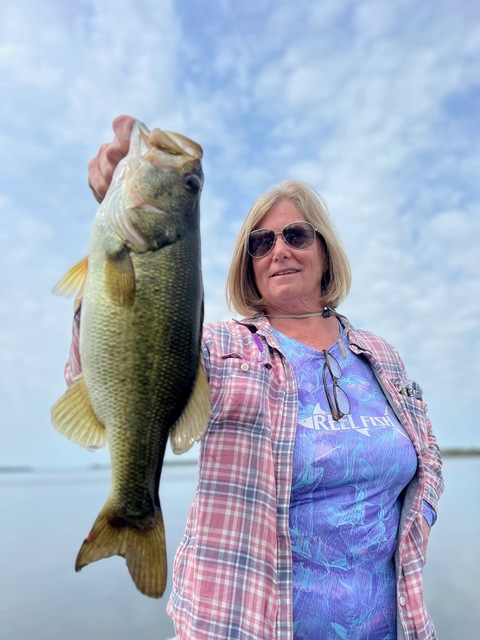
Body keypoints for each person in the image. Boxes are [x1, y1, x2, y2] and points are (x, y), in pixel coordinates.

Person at [68, 115, 444, 640]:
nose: (279, 250)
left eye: (296, 235)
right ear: (248, 265)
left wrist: (418, 518)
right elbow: (103, 365)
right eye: (261, 243)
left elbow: (428, 456)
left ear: (324, 249)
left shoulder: (381, 357)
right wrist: (113, 231)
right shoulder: (223, 348)